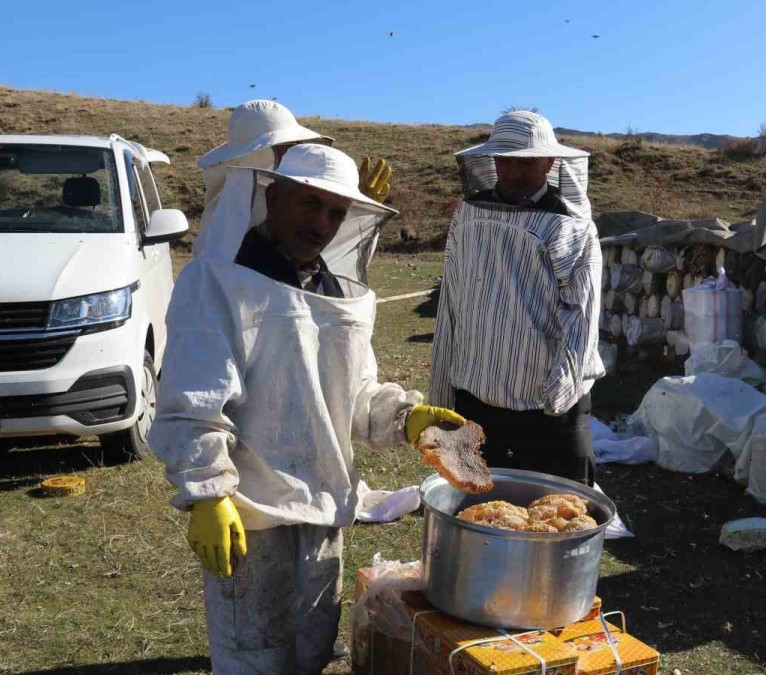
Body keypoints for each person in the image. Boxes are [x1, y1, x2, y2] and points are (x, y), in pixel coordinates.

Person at [148, 143, 462, 674]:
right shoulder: (221, 280)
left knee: (311, 649)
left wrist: (406, 417)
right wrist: (208, 493)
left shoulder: (335, 290)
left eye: (337, 213)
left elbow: (356, 393)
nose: (323, 223)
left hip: (325, 508)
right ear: (274, 196)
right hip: (251, 515)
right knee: (254, 657)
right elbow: (193, 398)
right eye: (311, 204)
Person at [430, 111, 604, 486]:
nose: (514, 172)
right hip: (476, 400)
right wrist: (441, 395)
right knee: (477, 511)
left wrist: (559, 398)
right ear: (493, 161)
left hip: (546, 409)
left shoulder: (571, 226)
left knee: (557, 514)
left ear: (550, 162)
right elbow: (452, 303)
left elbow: (583, 316)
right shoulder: (469, 215)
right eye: (506, 161)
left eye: (527, 162)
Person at [194, 99, 391, 260]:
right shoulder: (226, 218)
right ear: (256, 154)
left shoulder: (281, 198)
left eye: (297, 144)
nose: (295, 151)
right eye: (286, 145)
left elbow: (331, 258)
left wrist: (355, 212)